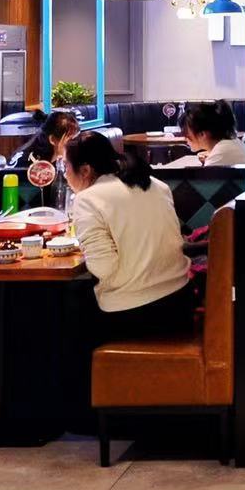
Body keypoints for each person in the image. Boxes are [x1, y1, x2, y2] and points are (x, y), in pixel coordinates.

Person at [64, 132, 194, 337]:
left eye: (65, 167)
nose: (65, 175)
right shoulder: (155, 184)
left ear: (86, 170)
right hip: (181, 304)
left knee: (65, 310)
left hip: (136, 313)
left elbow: (104, 268)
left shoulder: (87, 199)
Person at [161, 100, 245, 168]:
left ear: (202, 134)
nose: (185, 138)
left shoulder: (219, 155)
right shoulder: (233, 142)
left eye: (186, 133)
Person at [7, 109, 81, 169]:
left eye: (76, 140)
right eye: (71, 142)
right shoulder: (30, 164)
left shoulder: (71, 162)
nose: (75, 146)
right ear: (52, 140)